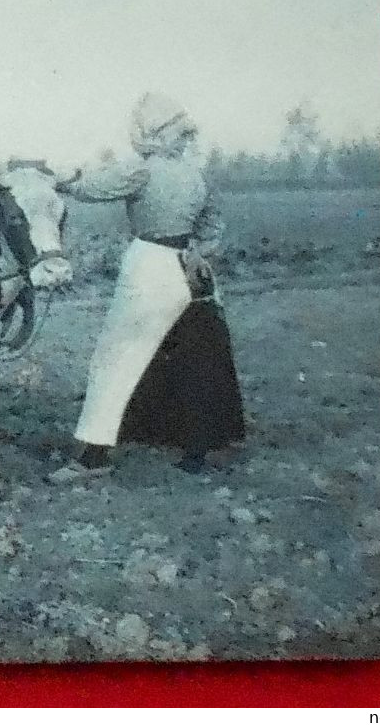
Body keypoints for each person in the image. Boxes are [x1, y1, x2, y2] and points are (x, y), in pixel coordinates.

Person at [49, 93, 246, 482]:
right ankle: (201, 449)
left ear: (147, 133)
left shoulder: (141, 170)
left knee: (116, 356)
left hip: (150, 265)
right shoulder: (197, 174)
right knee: (199, 354)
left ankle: (93, 457)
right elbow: (214, 230)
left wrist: (57, 179)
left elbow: (90, 188)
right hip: (193, 268)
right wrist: (197, 252)